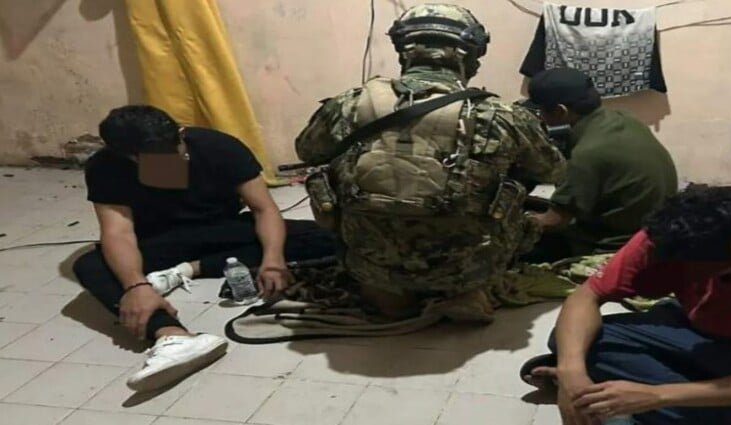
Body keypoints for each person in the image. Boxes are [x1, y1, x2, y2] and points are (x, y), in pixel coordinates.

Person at [295, 4, 565, 320]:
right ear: (471, 56)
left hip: (370, 259)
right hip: (468, 267)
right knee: (516, 204)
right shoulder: (502, 115)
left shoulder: (349, 104)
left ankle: (388, 297)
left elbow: (307, 151)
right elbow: (552, 170)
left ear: (402, 51)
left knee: (337, 191)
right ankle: (467, 293)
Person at [523, 186, 731, 425]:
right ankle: (623, 396)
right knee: (577, 342)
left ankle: (628, 405)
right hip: (697, 333)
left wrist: (659, 396)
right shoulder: (672, 235)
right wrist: (572, 374)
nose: (688, 277)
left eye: (702, 270)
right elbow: (586, 296)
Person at [73, 105, 336, 391]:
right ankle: (173, 336)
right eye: (157, 161)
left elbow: (264, 209)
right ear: (129, 157)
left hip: (222, 229)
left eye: (177, 151)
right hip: (159, 240)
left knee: (327, 236)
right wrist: (135, 285)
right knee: (91, 267)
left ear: (181, 133)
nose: (173, 162)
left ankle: (187, 270)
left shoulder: (218, 147)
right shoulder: (105, 166)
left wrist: (273, 260)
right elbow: (118, 232)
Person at [523, 68, 678, 263]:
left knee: (520, 249)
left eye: (541, 111)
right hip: (653, 234)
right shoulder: (624, 118)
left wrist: (519, 220)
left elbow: (556, 221)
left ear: (561, 111)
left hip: (615, 248)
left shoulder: (588, 153)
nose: (540, 117)